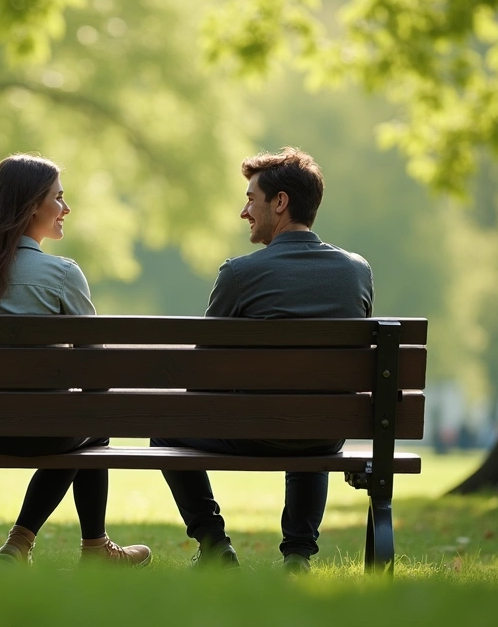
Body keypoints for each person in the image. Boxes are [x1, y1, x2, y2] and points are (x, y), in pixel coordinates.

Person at [152, 146, 374, 573]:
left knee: (164, 430)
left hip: (254, 430)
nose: (244, 211)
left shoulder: (240, 274)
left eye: (251, 199)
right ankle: (298, 555)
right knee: (311, 414)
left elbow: (202, 372)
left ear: (280, 202)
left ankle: (214, 544)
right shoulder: (357, 271)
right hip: (327, 432)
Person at [0, 154, 151, 567]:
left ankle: (26, 544)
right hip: (44, 431)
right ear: (32, 205)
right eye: (58, 198)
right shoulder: (62, 274)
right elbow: (96, 371)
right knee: (94, 427)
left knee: (78, 423)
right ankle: (80, 547)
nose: (65, 208)